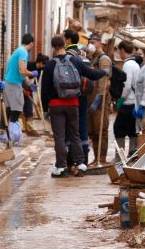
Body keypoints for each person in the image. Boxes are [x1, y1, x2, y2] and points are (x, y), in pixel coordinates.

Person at [40, 35, 106, 178]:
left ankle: (61, 167)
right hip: (73, 103)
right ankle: (81, 164)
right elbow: (92, 74)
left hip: (55, 106)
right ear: (65, 45)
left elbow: (44, 91)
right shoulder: (75, 60)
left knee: (60, 137)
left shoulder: (50, 65)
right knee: (75, 134)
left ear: (53, 48)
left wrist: (45, 109)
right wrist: (104, 72)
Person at [64, 28, 92, 164]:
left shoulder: (66, 58)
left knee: (70, 127)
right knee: (82, 125)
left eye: (64, 39)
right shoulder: (84, 57)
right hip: (84, 98)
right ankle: (84, 158)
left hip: (70, 98)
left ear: (68, 40)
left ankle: (71, 159)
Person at [4, 34, 39, 140]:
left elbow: (21, 73)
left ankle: (6, 133)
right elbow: (22, 70)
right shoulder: (23, 52)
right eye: (33, 44)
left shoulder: (18, 50)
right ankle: (12, 133)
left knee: (10, 109)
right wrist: (32, 73)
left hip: (11, 82)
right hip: (13, 84)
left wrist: (29, 84)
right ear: (31, 43)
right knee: (17, 109)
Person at [86, 33, 112, 165]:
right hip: (90, 98)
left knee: (101, 129)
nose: (91, 45)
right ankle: (95, 158)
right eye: (89, 42)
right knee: (92, 131)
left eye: (93, 42)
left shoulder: (104, 59)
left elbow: (104, 81)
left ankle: (102, 158)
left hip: (100, 99)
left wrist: (99, 98)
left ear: (100, 43)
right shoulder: (92, 59)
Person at [114, 40, 141, 159]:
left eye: (119, 51)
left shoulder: (128, 65)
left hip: (128, 103)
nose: (119, 54)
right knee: (132, 130)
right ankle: (133, 154)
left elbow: (126, 85)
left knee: (118, 129)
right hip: (134, 102)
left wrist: (120, 100)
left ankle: (119, 157)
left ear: (123, 50)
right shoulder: (135, 64)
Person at [23, 53, 49, 136]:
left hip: (29, 89)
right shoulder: (29, 64)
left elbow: (35, 80)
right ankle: (22, 127)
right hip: (21, 88)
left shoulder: (40, 70)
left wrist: (34, 86)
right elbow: (23, 75)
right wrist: (28, 84)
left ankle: (29, 129)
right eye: (43, 64)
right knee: (19, 109)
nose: (43, 66)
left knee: (29, 108)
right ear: (41, 62)